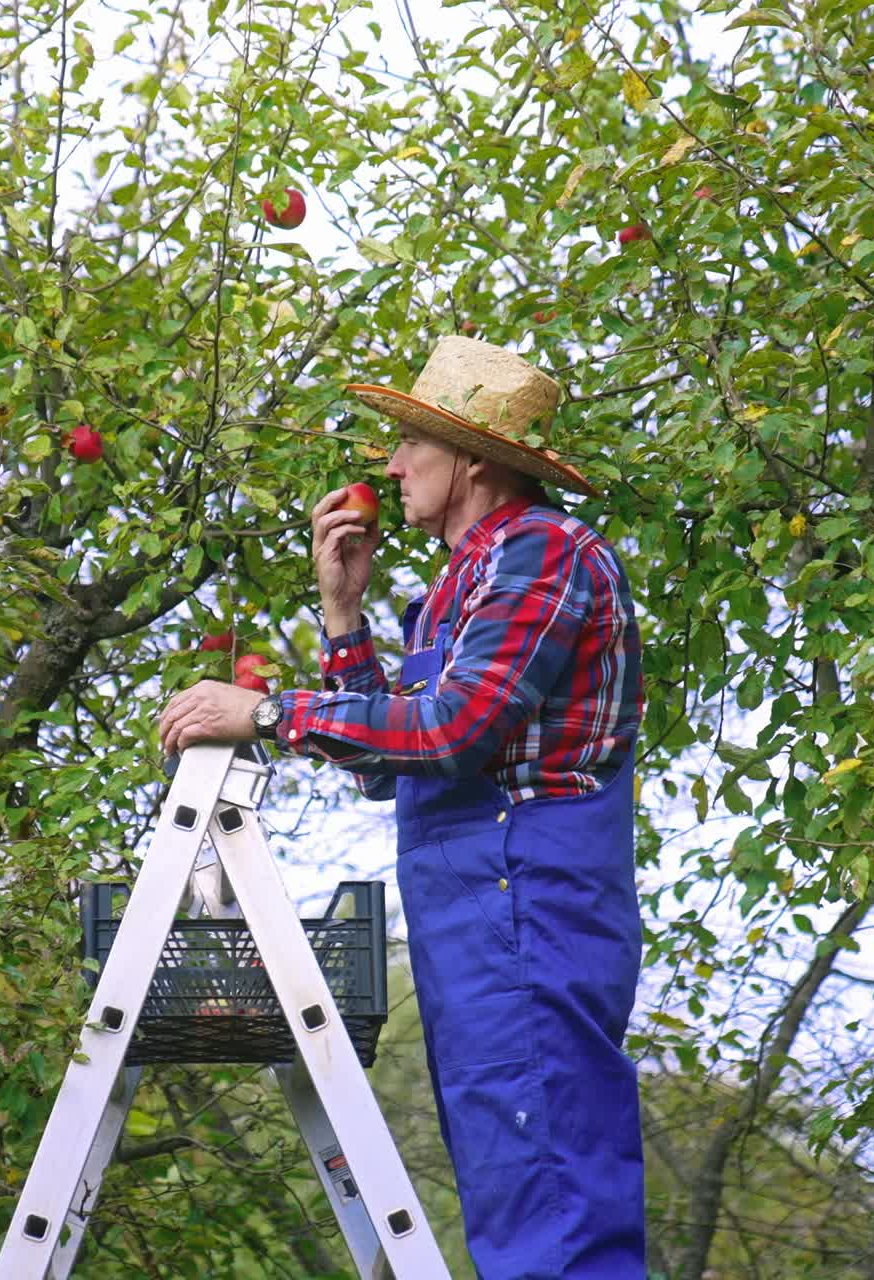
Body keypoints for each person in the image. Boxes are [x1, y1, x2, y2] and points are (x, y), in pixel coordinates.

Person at [158, 334, 645, 1279]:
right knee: (517, 1181)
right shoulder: (459, 584)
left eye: (408, 444)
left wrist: (264, 711)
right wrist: (345, 616)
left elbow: (455, 730)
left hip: (528, 901)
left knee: (550, 1196)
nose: (388, 465)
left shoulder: (542, 553)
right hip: (478, 915)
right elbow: (396, 769)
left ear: (470, 460)